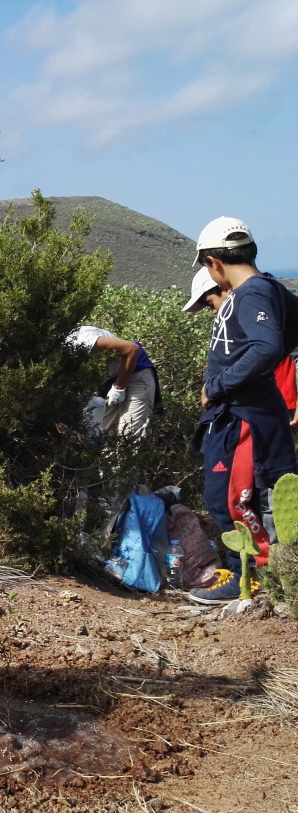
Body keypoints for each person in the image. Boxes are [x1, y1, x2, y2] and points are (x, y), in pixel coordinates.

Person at [187, 217, 298, 604]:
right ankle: (261, 574)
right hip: (247, 412)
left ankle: (250, 576)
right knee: (247, 496)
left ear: (213, 262)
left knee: (232, 498)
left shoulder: (251, 293)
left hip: (243, 417)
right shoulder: (268, 289)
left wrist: (216, 386)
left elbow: (266, 347)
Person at [188, 269, 298, 429]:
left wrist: (214, 386)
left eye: (211, 304)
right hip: (264, 402)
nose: (213, 311)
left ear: (227, 289)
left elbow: (269, 350)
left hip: (278, 402)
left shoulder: (261, 316)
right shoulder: (240, 325)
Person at [66, 325, 159, 439]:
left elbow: (132, 348)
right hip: (111, 379)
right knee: (106, 434)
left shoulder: (82, 340)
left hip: (137, 374)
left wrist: (118, 388)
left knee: (130, 434)